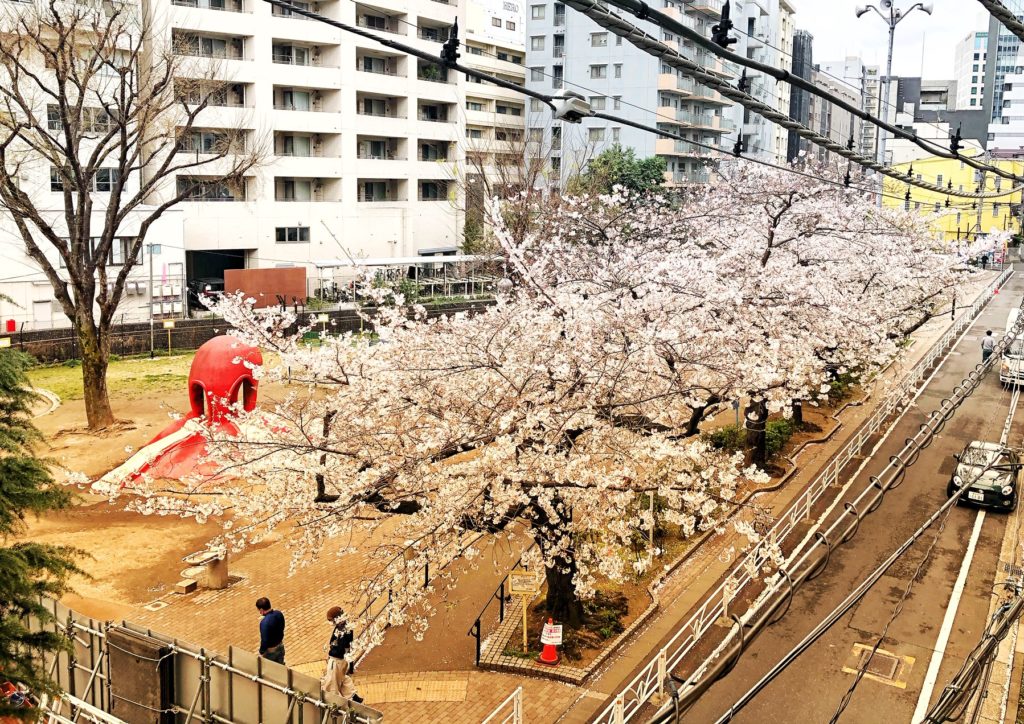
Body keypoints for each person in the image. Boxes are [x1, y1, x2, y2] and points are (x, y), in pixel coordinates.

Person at [322, 606, 363, 703]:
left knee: (332, 684)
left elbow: (339, 647)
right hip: (343, 660)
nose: (331, 622)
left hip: (336, 660)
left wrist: (331, 650)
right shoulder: (347, 626)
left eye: (331, 620)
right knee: (342, 679)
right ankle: (352, 696)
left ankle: (336, 705)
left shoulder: (341, 630)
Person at [256, 597, 286, 664]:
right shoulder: (279, 613)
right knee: (281, 667)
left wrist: (261, 652)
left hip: (271, 651)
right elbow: (283, 626)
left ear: (261, 609)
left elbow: (265, 640)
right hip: (280, 646)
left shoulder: (264, 623)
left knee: (270, 671)